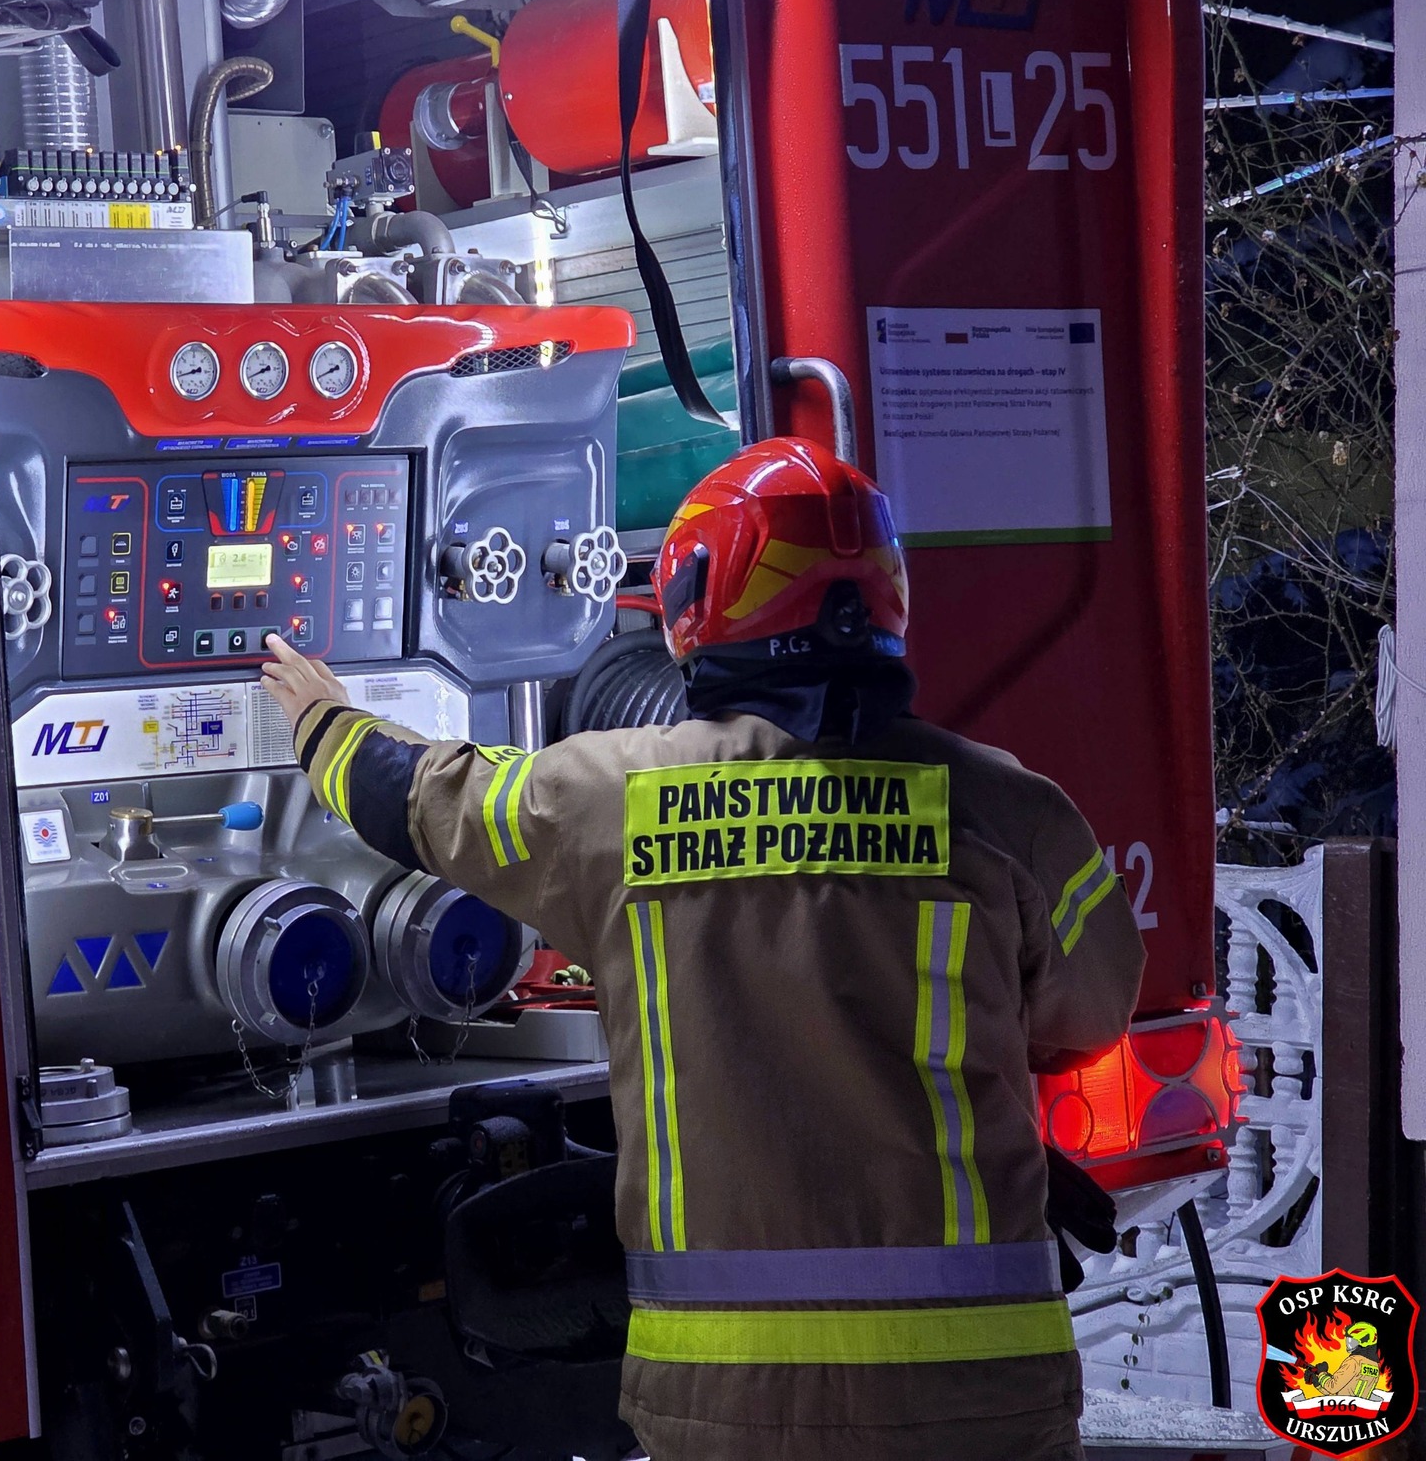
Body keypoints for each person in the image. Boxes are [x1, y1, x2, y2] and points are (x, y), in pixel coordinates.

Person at [260, 436, 1144, 1461]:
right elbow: (1091, 1014)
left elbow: (422, 800)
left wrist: (321, 721)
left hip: (730, 1403)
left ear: (697, 600)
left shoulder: (607, 800)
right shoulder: (1012, 811)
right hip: (979, 1399)